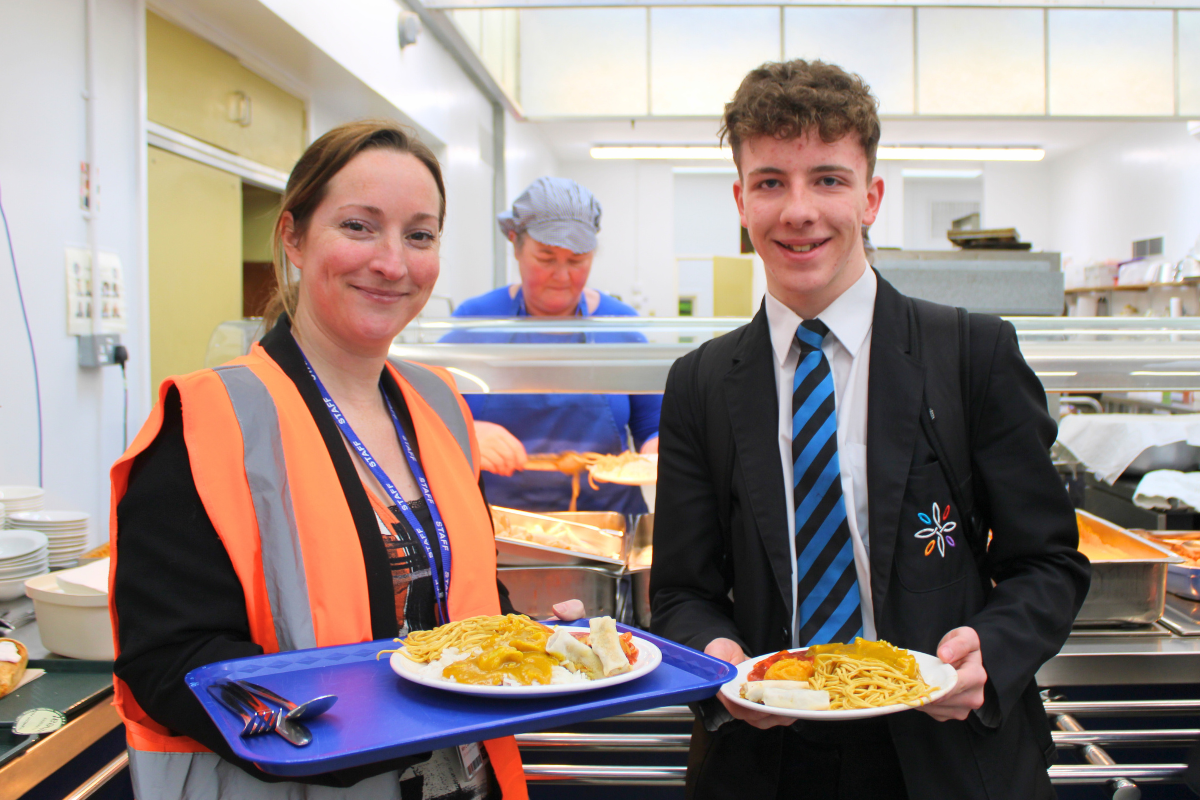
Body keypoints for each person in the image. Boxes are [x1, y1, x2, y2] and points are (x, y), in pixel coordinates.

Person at [649, 61, 1091, 800]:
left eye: (827, 179)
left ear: (871, 196)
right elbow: (682, 594)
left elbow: (1046, 563)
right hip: (768, 754)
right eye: (770, 182)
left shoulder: (971, 353)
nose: (798, 210)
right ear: (740, 201)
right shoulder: (700, 383)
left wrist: (990, 649)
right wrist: (716, 659)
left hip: (947, 751)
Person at [110, 120, 582, 800]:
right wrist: (344, 727)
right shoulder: (206, 420)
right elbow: (167, 663)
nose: (393, 262)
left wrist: (531, 642)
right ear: (294, 237)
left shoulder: (440, 403)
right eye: (360, 226)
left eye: (419, 235)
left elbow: (456, 599)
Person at [442, 177, 660, 515]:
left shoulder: (620, 326)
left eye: (577, 261)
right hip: (497, 527)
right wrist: (463, 432)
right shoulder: (476, 322)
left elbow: (654, 426)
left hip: (606, 528)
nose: (561, 275)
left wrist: (659, 452)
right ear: (515, 244)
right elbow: (415, 411)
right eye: (545, 257)